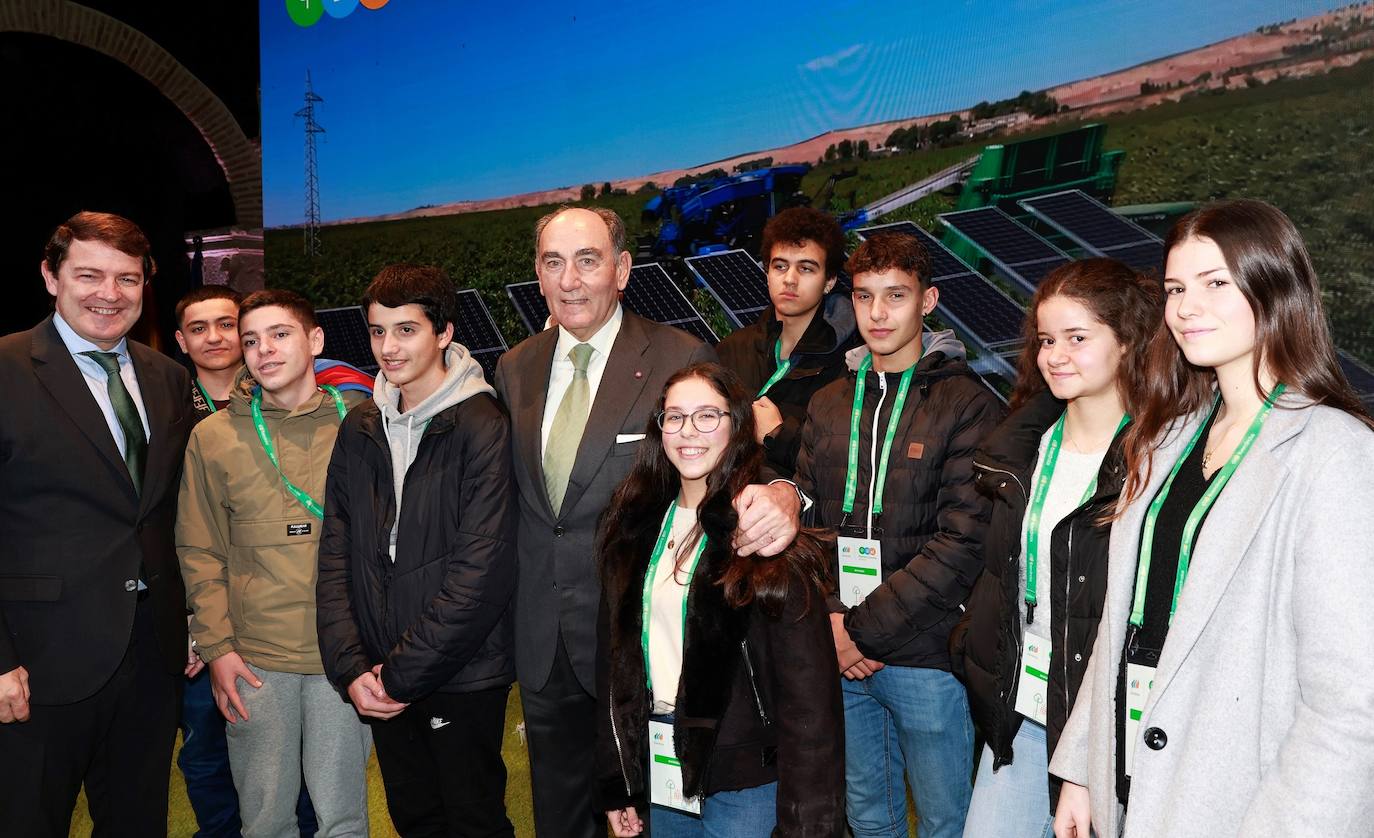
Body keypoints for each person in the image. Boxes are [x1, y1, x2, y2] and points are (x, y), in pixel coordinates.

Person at [1050, 200, 1374, 837]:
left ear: (1275, 287)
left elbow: (1351, 703)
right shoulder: (1166, 440)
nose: (1186, 307)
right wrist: (1083, 768)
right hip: (1131, 778)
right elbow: (1125, 619)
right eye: (1175, 288)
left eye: (1215, 283)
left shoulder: (1334, 454)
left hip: (1245, 799)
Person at [493, 206, 803, 837]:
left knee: (645, 819)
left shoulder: (678, 356)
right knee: (560, 816)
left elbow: (740, 459)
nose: (571, 280)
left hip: (637, 640)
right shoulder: (514, 366)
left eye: (588, 259)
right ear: (538, 274)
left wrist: (786, 493)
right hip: (543, 637)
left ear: (623, 268)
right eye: (554, 263)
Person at [794, 231, 1003, 838]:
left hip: (926, 656)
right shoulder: (830, 401)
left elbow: (961, 541)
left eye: (896, 296)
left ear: (928, 300)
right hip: (839, 648)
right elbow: (807, 528)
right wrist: (833, 620)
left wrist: (860, 631)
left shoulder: (968, 403)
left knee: (946, 822)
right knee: (868, 816)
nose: (879, 314)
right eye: (864, 297)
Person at [950, 260, 1161, 837]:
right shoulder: (1020, 449)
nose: (1055, 355)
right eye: (1046, 340)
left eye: (1077, 338)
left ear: (1127, 342)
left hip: (1104, 727)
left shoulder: (1160, 456)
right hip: (1020, 714)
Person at [0, 211, 194, 836]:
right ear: (50, 276)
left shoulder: (167, 378)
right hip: (38, 662)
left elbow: (163, 513)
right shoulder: (4, 369)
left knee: (139, 822)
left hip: (150, 656)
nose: (110, 294)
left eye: (128, 279)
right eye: (89, 275)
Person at [595, 363, 845, 837]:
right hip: (662, 770)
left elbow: (809, 700)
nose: (689, 432)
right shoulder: (633, 524)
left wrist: (811, 822)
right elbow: (613, 662)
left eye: (707, 416)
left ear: (736, 424)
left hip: (744, 781)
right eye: (674, 417)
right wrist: (620, 780)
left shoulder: (763, 530)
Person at [318, 264, 517, 836]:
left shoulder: (483, 422)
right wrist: (353, 667)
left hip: (460, 673)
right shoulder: (359, 427)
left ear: (444, 332)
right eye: (378, 331)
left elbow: (480, 572)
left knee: (472, 820)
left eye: (406, 330)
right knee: (415, 819)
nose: (388, 347)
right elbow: (336, 554)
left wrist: (399, 675)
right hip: (380, 673)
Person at [177, 289, 373, 838]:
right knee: (264, 819)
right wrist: (217, 650)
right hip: (256, 661)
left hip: (343, 656)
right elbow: (200, 550)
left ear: (315, 340)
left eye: (280, 334)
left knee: (344, 818)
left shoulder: (364, 422)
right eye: (251, 340)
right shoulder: (212, 438)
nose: (263, 350)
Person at [716, 207, 861, 478]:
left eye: (806, 268)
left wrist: (777, 435)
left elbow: (849, 469)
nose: (789, 279)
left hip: (802, 514)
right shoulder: (729, 351)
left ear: (829, 281)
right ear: (767, 273)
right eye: (780, 266)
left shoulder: (851, 367)